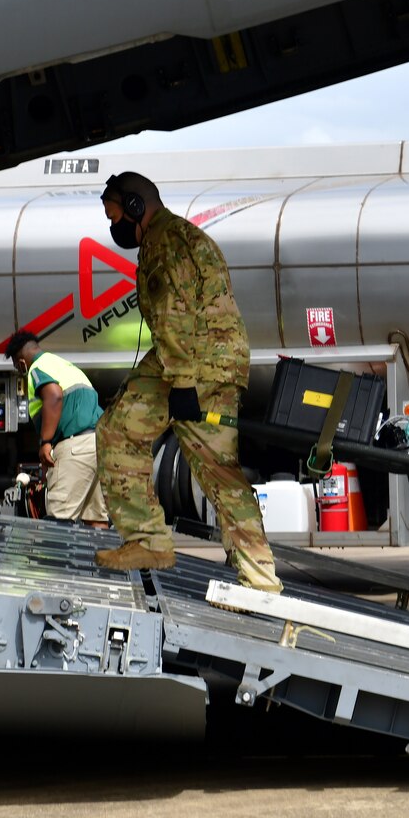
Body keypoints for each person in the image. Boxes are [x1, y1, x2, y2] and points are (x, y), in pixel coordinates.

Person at [91, 171, 280, 590]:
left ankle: (153, 542)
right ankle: (254, 573)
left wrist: (181, 385)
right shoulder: (183, 236)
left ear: (137, 207)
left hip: (193, 365)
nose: (113, 226)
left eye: (115, 214)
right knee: (212, 469)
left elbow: (174, 317)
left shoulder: (163, 243)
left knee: (126, 435)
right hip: (211, 364)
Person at [4, 330, 107, 526]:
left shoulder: (37, 368)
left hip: (74, 447)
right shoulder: (65, 366)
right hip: (98, 444)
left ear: (21, 362)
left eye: (17, 367)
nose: (20, 371)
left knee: (58, 520)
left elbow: (54, 396)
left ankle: (58, 558)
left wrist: (46, 442)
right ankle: (98, 557)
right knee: (96, 519)